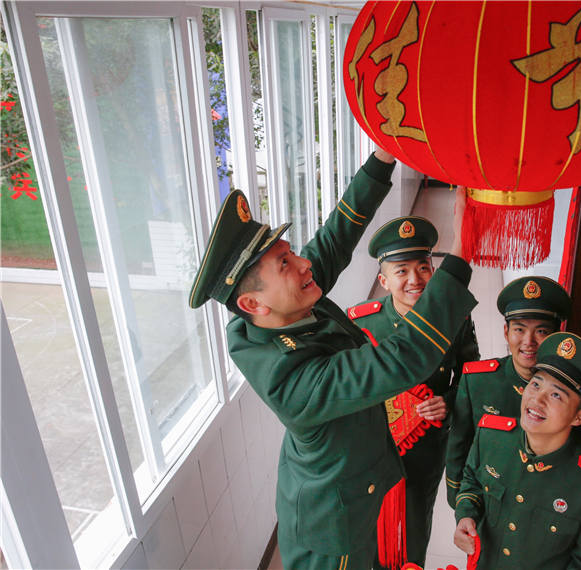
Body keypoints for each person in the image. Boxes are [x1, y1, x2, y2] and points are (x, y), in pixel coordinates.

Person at [188, 149, 478, 569]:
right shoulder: (292, 381)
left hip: (362, 484)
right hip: (335, 532)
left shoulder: (277, 310)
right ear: (253, 301)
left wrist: (382, 157)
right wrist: (462, 251)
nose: (305, 264)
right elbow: (402, 358)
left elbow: (335, 238)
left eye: (291, 252)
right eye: (286, 262)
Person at [348, 216, 480, 567]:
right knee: (369, 525)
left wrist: (448, 403)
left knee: (415, 521)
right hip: (373, 445)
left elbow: (471, 377)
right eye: (401, 271)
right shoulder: (362, 323)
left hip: (425, 446)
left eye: (423, 267)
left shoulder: (454, 318)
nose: (414, 279)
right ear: (383, 280)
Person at [452, 332, 581, 569]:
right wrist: (465, 515)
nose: (537, 399)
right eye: (535, 384)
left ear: (580, 417)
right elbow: (472, 481)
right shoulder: (491, 436)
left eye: (556, 395)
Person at [445, 276, 571, 507]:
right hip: (486, 498)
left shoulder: (569, 392)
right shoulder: (477, 380)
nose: (528, 341)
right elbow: (459, 444)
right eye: (519, 329)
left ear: (556, 335)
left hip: (540, 504)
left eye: (541, 331)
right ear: (506, 332)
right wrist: (459, 502)